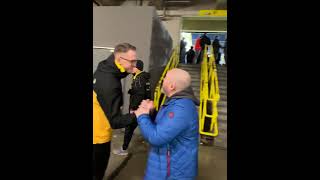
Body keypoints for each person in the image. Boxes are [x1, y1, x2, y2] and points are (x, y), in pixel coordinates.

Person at [135, 68, 199, 180]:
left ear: (171, 86)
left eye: (165, 78)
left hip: (172, 172)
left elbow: (157, 137)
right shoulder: (176, 101)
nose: (162, 80)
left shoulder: (181, 108)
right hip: (166, 167)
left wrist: (142, 115)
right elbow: (165, 127)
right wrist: (151, 112)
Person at [93, 43, 138, 180]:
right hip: (98, 138)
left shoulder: (104, 66)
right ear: (119, 60)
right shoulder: (110, 84)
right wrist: (139, 114)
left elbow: (118, 71)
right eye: (132, 61)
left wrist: (128, 70)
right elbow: (115, 122)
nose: (134, 65)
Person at [113, 60, 151, 156]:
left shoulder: (139, 79)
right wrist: (132, 91)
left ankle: (124, 149)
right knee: (144, 127)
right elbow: (144, 93)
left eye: (132, 67)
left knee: (129, 128)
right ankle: (152, 146)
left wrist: (133, 108)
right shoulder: (143, 77)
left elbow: (140, 94)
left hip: (137, 109)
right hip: (143, 108)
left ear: (136, 68)